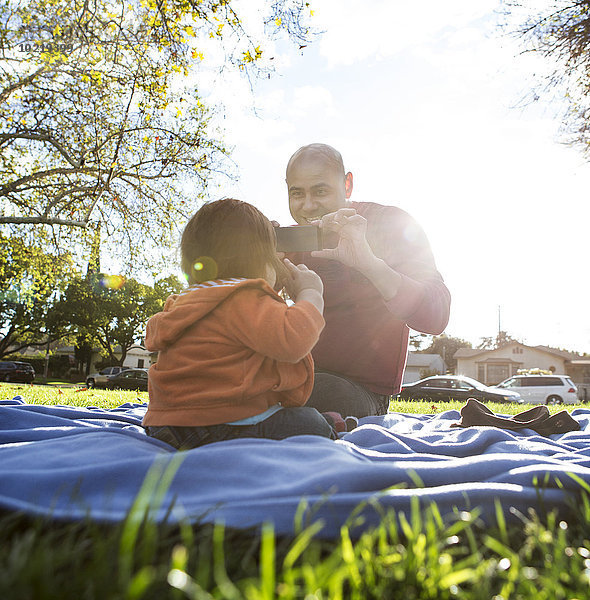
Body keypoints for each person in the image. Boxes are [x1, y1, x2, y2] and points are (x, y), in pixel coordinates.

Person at [142, 198, 336, 449]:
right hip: (222, 427)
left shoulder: (184, 302)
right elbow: (293, 339)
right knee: (312, 423)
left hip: (164, 427)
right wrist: (311, 293)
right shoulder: (244, 296)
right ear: (260, 260)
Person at [284, 143, 451, 418]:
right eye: (297, 194)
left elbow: (437, 317)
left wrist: (370, 265)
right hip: (298, 378)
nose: (309, 205)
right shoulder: (290, 241)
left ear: (347, 185)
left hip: (359, 392)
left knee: (316, 392)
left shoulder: (391, 224)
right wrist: (258, 272)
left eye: (321, 191)